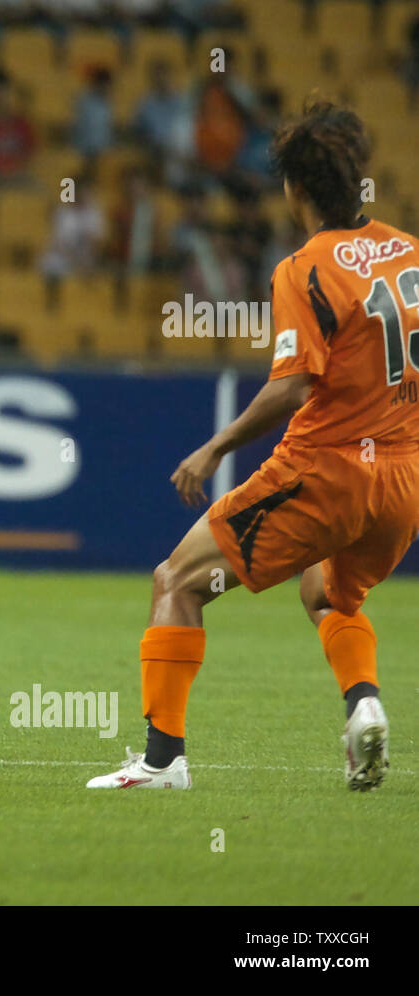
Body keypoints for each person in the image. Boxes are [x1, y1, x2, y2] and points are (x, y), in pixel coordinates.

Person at [88, 102, 412, 791]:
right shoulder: (411, 252)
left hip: (323, 472)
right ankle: (364, 707)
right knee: (329, 593)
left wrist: (213, 449)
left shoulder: (305, 269)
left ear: (294, 188)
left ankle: (162, 761)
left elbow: (293, 388)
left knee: (175, 581)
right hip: (402, 481)